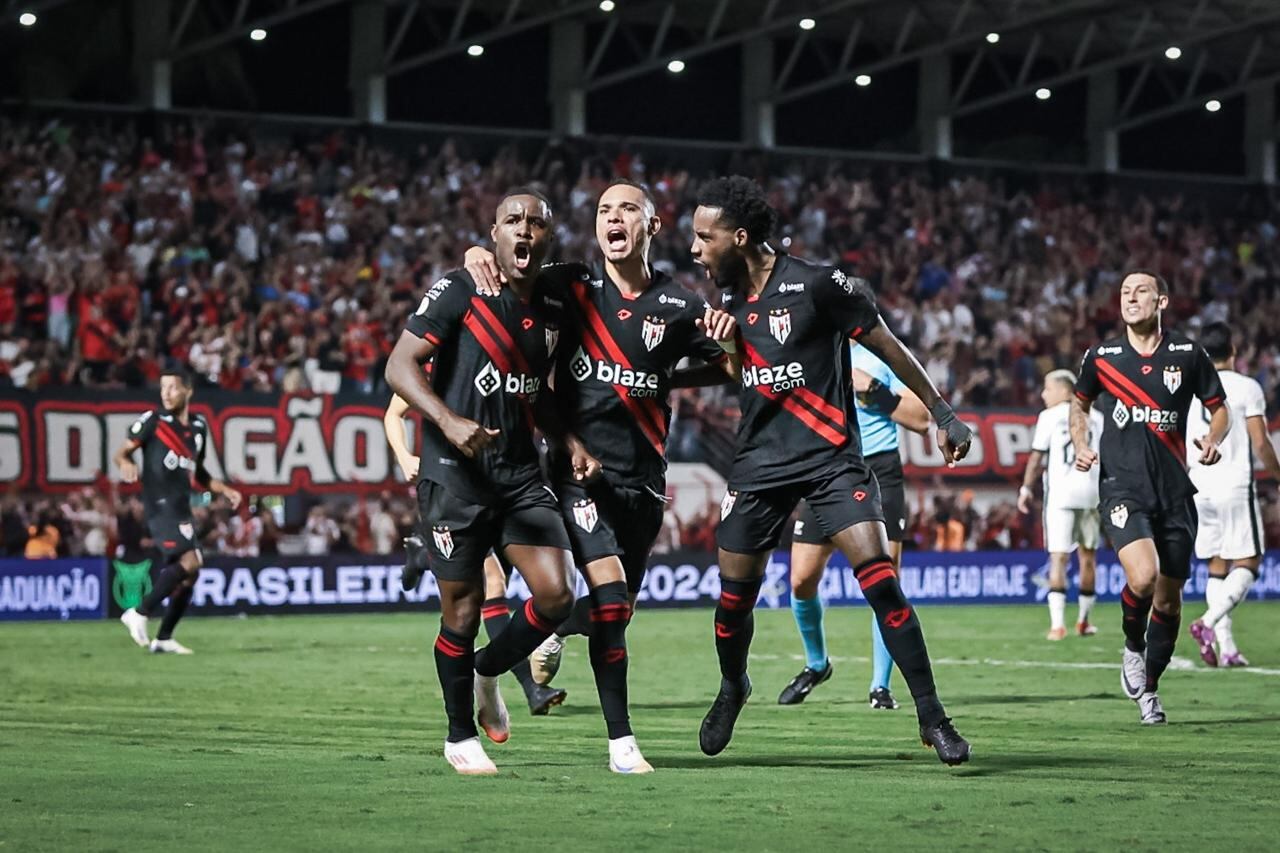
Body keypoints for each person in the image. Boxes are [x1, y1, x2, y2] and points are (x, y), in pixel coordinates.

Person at [690, 176, 972, 765]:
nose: (695, 249)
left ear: (739, 237)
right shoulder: (726, 308)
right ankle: (732, 686)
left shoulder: (819, 284)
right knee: (733, 601)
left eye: (703, 237)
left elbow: (891, 346)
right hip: (758, 468)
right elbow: (739, 375)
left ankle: (932, 715)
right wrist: (722, 351)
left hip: (829, 463)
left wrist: (943, 413)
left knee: (881, 579)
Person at [462, 179, 733, 773]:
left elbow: (735, 369)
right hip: (576, 474)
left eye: (627, 209)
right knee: (609, 603)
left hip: (644, 484)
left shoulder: (680, 306)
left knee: (614, 608)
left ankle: (488, 666)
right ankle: (621, 744)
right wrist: (475, 255)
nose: (614, 218)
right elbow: (509, 266)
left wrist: (701, 359)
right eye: (605, 210)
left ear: (651, 227)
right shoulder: (571, 285)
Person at [384, 187, 596, 776]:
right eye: (511, 221)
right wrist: (448, 421)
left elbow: (538, 391)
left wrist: (569, 439)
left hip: (520, 477)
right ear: (494, 233)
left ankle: (487, 669)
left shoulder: (556, 301)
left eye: (535, 222)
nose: (523, 229)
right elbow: (398, 365)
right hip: (455, 478)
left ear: (547, 238)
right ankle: (458, 736)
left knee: (556, 594)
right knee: (463, 610)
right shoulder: (460, 288)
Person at [1071, 271, 1229, 725]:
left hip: (1175, 491)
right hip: (1122, 487)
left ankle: (1151, 690)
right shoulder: (1102, 357)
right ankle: (1132, 647)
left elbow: (1219, 408)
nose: (1130, 298)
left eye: (1141, 291)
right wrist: (1081, 442)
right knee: (1142, 577)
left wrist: (1214, 439)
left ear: (1162, 300)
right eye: (1124, 292)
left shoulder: (1187, 353)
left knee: (1169, 602)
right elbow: (1079, 404)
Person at [384, 392, 567, 715]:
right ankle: (530, 688)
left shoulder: (500, 363)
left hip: (506, 488)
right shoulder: (436, 362)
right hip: (456, 491)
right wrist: (404, 455)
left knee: (503, 581)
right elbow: (393, 413)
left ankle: (423, 554)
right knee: (493, 584)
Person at [779, 342, 930, 710]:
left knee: (884, 581)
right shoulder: (809, 350)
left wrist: (875, 390)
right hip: (825, 469)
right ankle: (817, 663)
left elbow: (922, 419)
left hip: (878, 470)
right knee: (800, 580)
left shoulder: (886, 357)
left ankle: (880, 686)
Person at [116, 369, 243, 654]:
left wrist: (224, 489)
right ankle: (138, 612)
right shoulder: (154, 421)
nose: (166, 393)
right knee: (192, 560)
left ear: (188, 391)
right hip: (159, 504)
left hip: (181, 505)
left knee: (191, 574)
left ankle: (164, 638)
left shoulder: (197, 427)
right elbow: (122, 452)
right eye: (163, 387)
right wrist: (125, 462)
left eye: (173, 387)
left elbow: (198, 473)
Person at [1186, 322, 1279, 667]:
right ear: (1234, 352)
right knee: (1249, 561)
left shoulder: (1192, 388)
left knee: (1216, 564)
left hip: (1198, 484)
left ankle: (1226, 649)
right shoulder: (1245, 387)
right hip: (1234, 484)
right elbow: (1260, 441)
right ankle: (1207, 623)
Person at [1018, 369, 1105, 640]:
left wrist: (1025, 489)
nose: (1044, 394)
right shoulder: (1098, 418)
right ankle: (1084, 621)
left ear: (1065, 391)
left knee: (1059, 557)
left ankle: (1058, 625)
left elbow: (1036, 457)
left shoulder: (1049, 417)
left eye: (1048, 388)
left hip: (1061, 494)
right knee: (1088, 558)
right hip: (1092, 493)